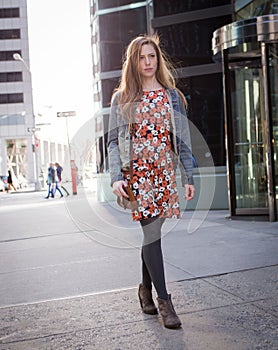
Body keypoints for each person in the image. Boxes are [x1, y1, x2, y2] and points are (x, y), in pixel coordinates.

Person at [108, 34, 195, 329]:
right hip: (139, 174)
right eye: (142, 57)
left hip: (164, 173)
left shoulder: (172, 96)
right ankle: (165, 302)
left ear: (158, 59)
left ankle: (144, 288)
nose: (148, 62)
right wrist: (116, 176)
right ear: (134, 62)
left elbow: (182, 138)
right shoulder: (122, 98)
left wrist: (189, 174)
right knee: (153, 234)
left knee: (152, 235)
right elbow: (111, 142)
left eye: (152, 56)